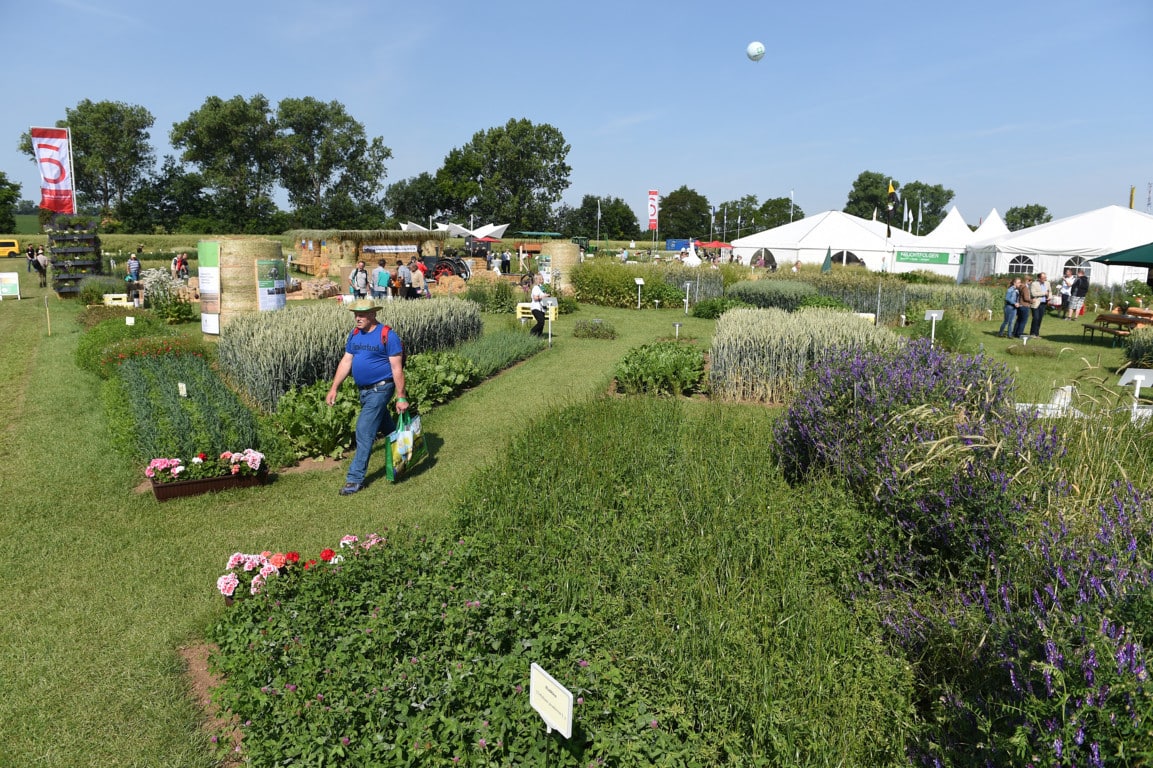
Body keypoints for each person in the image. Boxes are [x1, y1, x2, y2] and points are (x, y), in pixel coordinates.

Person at [325, 299, 409, 495]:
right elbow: (346, 361)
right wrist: (334, 388)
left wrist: (401, 397)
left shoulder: (387, 335)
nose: (357, 318)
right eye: (355, 314)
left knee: (363, 430)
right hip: (363, 390)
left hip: (381, 388)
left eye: (362, 314)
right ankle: (403, 456)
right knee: (387, 427)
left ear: (373, 314)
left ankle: (355, 479)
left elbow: (397, 369)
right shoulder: (355, 334)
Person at [1028, 272, 1050, 337]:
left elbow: (1049, 291)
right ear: (1039, 278)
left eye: (1045, 277)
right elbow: (1033, 294)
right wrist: (1044, 293)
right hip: (1036, 303)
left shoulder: (1047, 283)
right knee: (1036, 318)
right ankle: (1032, 333)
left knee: (1040, 318)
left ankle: (1037, 333)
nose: (1045, 279)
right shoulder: (1034, 284)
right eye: (1043, 278)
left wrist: (1049, 297)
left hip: (1043, 303)